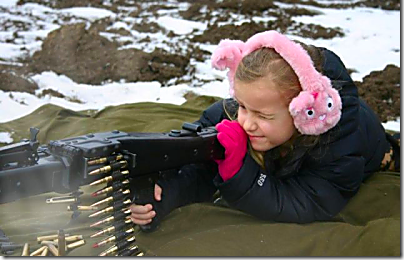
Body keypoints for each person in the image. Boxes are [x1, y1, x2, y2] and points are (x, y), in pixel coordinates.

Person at [129, 30, 399, 230]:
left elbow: (306, 202)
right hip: (289, 148)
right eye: (243, 105)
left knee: (390, 157)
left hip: (372, 146)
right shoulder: (242, 112)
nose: (246, 122)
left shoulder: (339, 142)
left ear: (305, 111)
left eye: (263, 114)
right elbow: (199, 169)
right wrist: (164, 195)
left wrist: (239, 174)